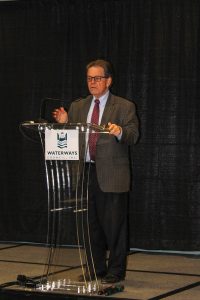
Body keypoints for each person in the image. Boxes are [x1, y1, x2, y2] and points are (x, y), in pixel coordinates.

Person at [52, 59, 139, 284]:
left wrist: (120, 131)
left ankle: (116, 271)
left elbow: (133, 135)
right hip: (84, 173)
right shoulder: (78, 106)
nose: (92, 82)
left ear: (108, 81)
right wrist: (64, 122)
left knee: (114, 227)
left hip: (111, 175)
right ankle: (95, 268)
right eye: (89, 78)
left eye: (97, 78)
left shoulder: (124, 106)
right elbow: (70, 137)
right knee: (89, 226)